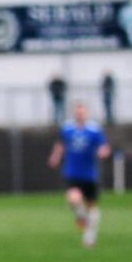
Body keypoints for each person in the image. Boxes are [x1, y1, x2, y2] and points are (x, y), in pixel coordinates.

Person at [48, 101, 111, 248]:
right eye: (77, 112)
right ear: (74, 113)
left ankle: (90, 237)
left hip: (89, 174)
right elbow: (60, 144)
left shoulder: (94, 130)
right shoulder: (67, 129)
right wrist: (55, 156)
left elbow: (104, 146)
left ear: (86, 113)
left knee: (91, 207)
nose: (80, 115)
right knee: (73, 199)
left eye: (82, 112)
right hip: (72, 172)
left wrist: (103, 152)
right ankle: (81, 217)